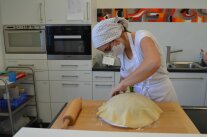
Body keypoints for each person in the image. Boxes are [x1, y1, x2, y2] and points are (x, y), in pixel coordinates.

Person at [92, 17, 177, 102]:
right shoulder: (121, 52)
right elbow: (125, 77)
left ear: (114, 36)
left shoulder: (142, 37)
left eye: (108, 49)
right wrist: (119, 92)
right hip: (141, 100)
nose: (110, 52)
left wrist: (123, 84)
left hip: (162, 97)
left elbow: (153, 63)